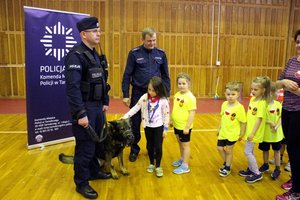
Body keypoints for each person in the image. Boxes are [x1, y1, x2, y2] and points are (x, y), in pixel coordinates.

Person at [64, 17, 111, 199]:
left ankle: (93, 171)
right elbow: (73, 88)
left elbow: (102, 80)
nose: (99, 33)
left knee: (96, 145)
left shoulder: (94, 54)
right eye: (94, 31)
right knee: (85, 148)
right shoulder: (76, 55)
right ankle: (81, 183)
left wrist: (105, 101)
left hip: (98, 108)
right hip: (85, 109)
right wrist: (80, 114)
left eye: (98, 30)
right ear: (84, 34)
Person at [122, 27, 170, 162]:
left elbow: (166, 76)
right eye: (149, 41)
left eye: (154, 40)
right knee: (135, 123)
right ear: (143, 39)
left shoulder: (161, 54)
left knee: (156, 123)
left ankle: (154, 150)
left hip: (156, 95)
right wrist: (126, 94)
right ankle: (134, 149)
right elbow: (127, 75)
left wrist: (166, 94)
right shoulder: (134, 53)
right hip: (138, 92)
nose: (152, 43)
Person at [121, 76, 169, 177]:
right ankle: (152, 163)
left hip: (158, 127)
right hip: (147, 126)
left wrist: (165, 129)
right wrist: (125, 116)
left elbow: (166, 114)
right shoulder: (144, 98)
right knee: (149, 146)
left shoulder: (163, 101)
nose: (150, 92)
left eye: (153, 90)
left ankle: (158, 166)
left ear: (159, 90)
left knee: (158, 147)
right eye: (149, 89)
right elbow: (135, 108)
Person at [275, 29, 300, 200]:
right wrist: (283, 82)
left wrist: (297, 91)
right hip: (287, 110)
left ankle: (297, 192)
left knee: (297, 150)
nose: (299, 45)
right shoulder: (291, 61)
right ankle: (295, 180)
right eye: (297, 41)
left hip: (299, 112)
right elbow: (277, 84)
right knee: (291, 148)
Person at [238, 76, 270, 183]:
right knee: (250, 151)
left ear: (263, 90)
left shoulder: (262, 103)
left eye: (255, 89)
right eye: (252, 89)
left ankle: (256, 173)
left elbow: (259, 120)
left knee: (247, 152)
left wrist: (252, 133)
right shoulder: (252, 99)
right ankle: (251, 169)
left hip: (254, 132)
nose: (253, 91)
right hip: (249, 130)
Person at [217, 82, 246, 177]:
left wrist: (241, 134)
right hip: (223, 132)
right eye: (228, 94)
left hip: (233, 133)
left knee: (229, 150)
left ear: (238, 94)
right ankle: (227, 162)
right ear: (225, 94)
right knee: (220, 148)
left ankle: (227, 167)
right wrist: (219, 128)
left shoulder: (240, 108)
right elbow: (222, 117)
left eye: (233, 94)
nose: (230, 97)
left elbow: (243, 122)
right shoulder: (224, 104)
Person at [170, 73, 196, 175]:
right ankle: (181, 159)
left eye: (183, 83)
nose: (181, 85)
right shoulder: (177, 94)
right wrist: (171, 120)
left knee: (185, 145)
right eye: (179, 83)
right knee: (180, 143)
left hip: (184, 127)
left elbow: (192, 113)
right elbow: (175, 108)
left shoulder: (190, 97)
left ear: (188, 83)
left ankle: (185, 166)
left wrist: (187, 127)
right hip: (177, 125)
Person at [258, 83, 284, 180]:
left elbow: (281, 117)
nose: (279, 94)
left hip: (276, 134)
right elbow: (260, 118)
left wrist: (276, 126)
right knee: (265, 150)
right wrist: (270, 122)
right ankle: (266, 164)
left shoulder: (278, 104)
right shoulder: (263, 104)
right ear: (270, 93)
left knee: (276, 151)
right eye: (277, 91)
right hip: (265, 133)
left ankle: (277, 169)